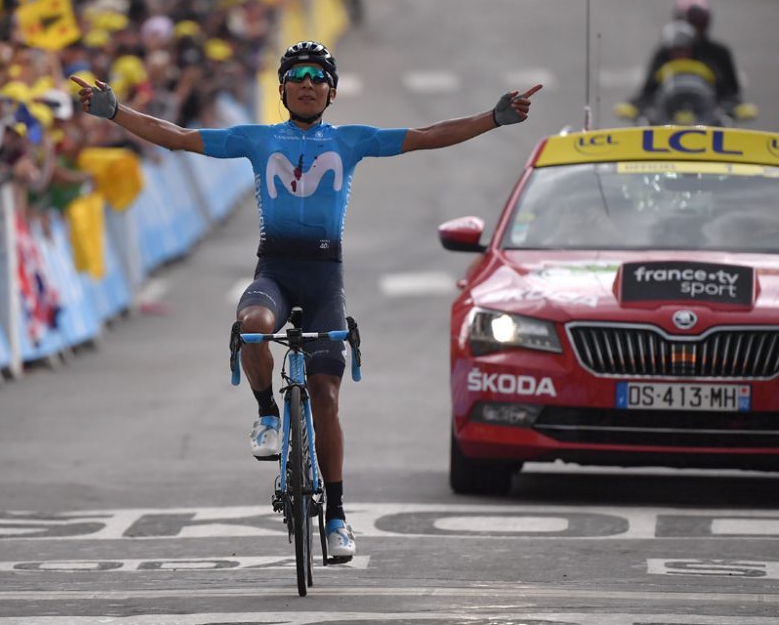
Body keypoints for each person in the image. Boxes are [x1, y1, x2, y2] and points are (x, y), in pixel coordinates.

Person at [72, 40, 541, 562]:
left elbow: (429, 136)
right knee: (252, 323)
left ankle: (337, 516)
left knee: (325, 395)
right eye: (297, 74)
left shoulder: (351, 140)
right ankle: (268, 414)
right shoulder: (256, 139)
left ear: (332, 91)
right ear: (282, 88)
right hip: (274, 268)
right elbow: (178, 137)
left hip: (324, 280)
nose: (308, 83)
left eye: (319, 76)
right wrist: (115, 112)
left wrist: (494, 119)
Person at [617, 0, 753, 123]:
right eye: (691, 23)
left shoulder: (720, 53)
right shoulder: (664, 53)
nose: (694, 29)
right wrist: (637, 107)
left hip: (710, 117)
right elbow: (649, 91)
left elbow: (731, 92)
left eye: (698, 24)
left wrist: (733, 109)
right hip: (665, 116)